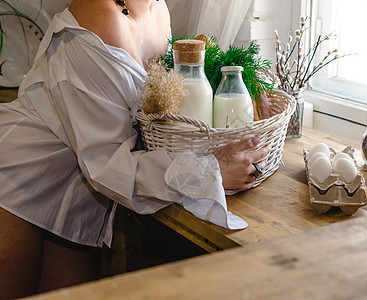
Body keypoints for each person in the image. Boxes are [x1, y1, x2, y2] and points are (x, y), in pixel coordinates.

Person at [0, 0, 270, 298]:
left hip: (71, 190)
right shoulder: (95, 20)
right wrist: (208, 169)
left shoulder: (159, 10)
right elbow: (107, 161)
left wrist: (244, 89)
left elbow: (160, 110)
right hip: (18, 178)